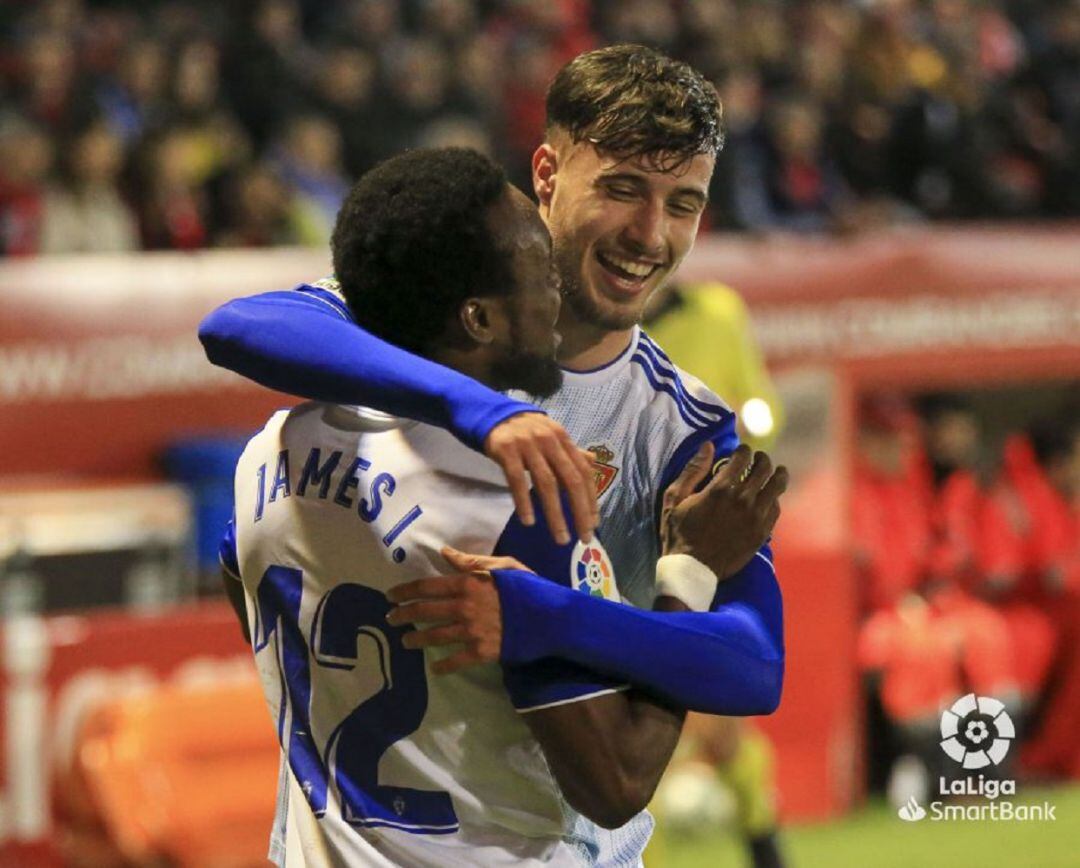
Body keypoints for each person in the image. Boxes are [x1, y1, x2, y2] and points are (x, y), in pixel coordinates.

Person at [202, 45, 787, 863]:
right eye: (622, 189)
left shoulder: (682, 428)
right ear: (547, 172)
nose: (650, 235)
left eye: (682, 204)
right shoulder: (410, 314)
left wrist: (543, 619)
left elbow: (755, 668)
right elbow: (235, 325)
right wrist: (483, 415)